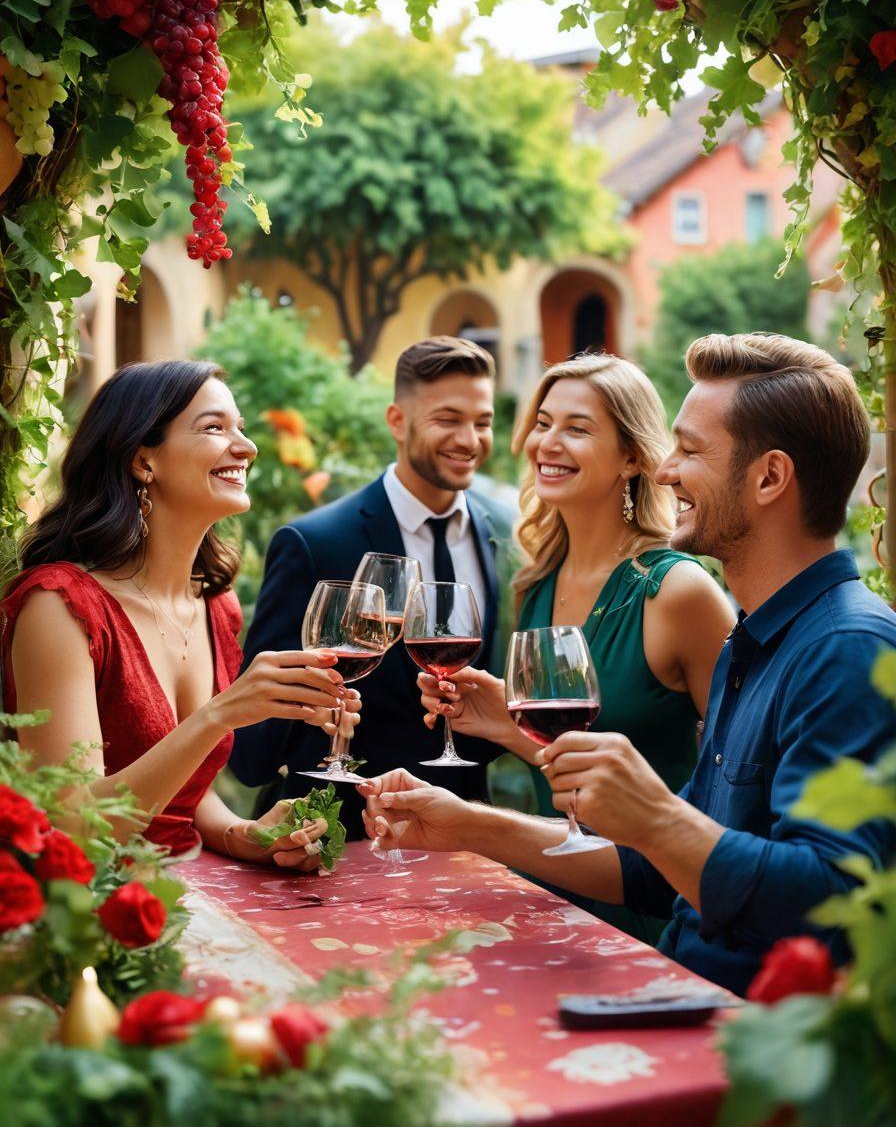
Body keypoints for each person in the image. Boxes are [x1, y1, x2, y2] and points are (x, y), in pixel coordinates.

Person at [361, 332, 896, 996]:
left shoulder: (848, 648)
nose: (666, 470)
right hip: (675, 985)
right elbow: (658, 867)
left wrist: (659, 816)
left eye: (690, 451)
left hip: (737, 1036)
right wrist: (468, 825)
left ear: (768, 478)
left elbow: (840, 904)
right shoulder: (756, 643)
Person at [416, 353, 734, 941]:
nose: (547, 443)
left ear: (633, 458)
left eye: (577, 428)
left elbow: (736, 781)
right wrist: (503, 726)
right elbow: (571, 759)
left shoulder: (676, 591)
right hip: (554, 894)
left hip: (653, 911)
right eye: (542, 422)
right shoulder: (537, 581)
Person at [1, 360, 363, 870]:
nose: (247, 446)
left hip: (193, 888)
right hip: (96, 910)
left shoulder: (216, 604)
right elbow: (75, 828)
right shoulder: (60, 607)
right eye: (215, 428)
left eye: (241, 427)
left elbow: (182, 798)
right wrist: (219, 715)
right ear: (143, 460)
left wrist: (247, 834)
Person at [229, 336, 510, 838]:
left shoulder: (502, 537)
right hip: (337, 838)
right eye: (448, 419)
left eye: (483, 422)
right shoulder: (314, 543)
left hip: (465, 844)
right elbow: (253, 749)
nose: (470, 439)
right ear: (397, 421)